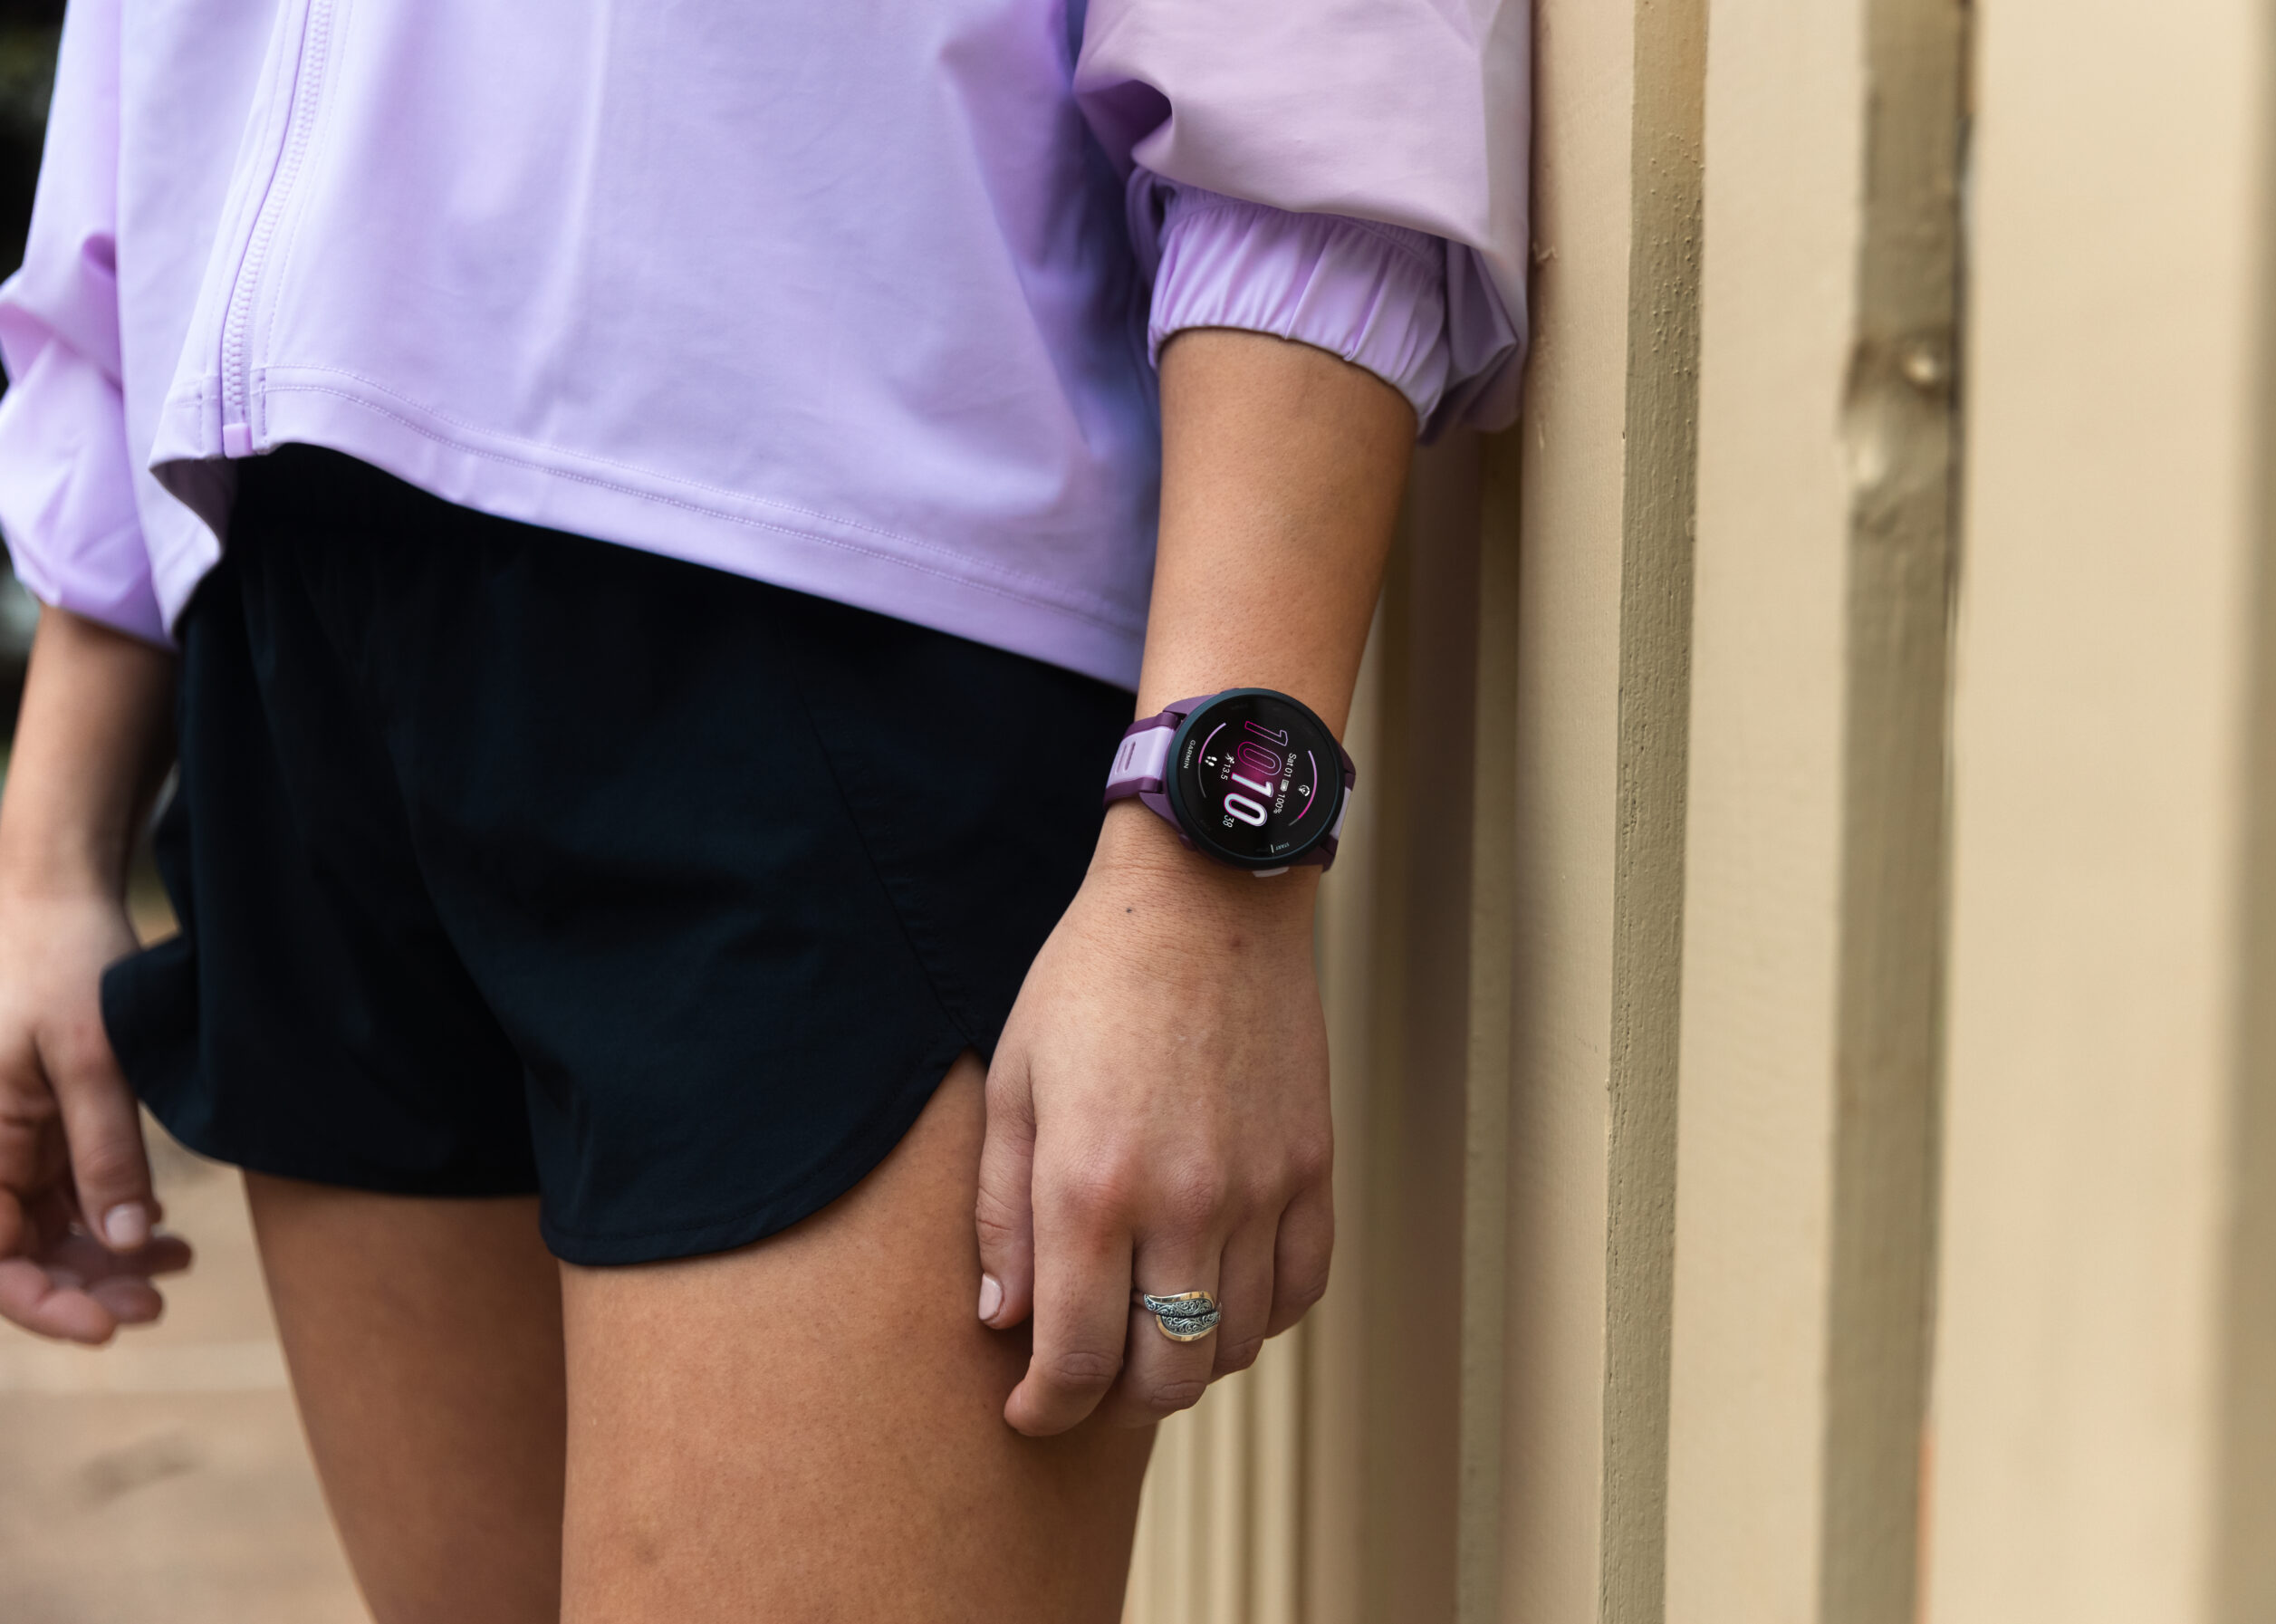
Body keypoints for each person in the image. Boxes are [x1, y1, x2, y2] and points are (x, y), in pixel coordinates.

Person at [0, 0, 1523, 1617]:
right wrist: (50, 838)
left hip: (835, 614)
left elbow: (1318, 48)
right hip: (281, 633)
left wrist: (1212, 844)